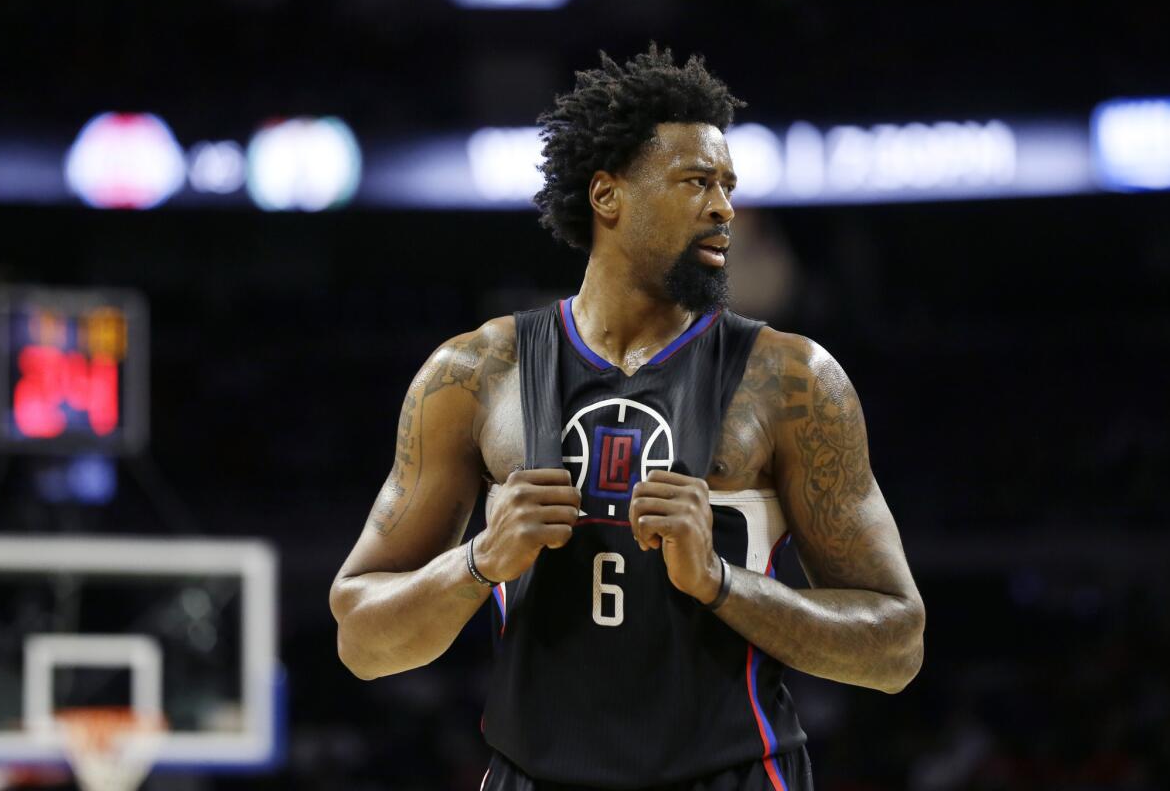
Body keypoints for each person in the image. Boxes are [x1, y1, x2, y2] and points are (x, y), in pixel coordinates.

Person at [330, 45, 925, 791]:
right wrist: (479, 560)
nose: (725, 208)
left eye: (728, 186)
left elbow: (897, 647)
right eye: (696, 182)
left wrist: (720, 583)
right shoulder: (474, 374)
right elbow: (362, 636)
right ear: (609, 197)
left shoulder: (794, 381)